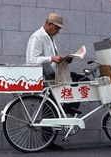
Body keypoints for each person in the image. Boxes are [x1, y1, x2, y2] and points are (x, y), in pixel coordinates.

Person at [26, 12, 89, 149]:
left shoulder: (49, 37)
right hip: (44, 77)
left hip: (53, 74)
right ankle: (67, 110)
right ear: (48, 24)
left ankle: (68, 108)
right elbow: (32, 60)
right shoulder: (38, 37)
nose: (58, 31)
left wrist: (65, 59)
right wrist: (51, 58)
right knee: (51, 108)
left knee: (82, 79)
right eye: (57, 28)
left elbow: (52, 58)